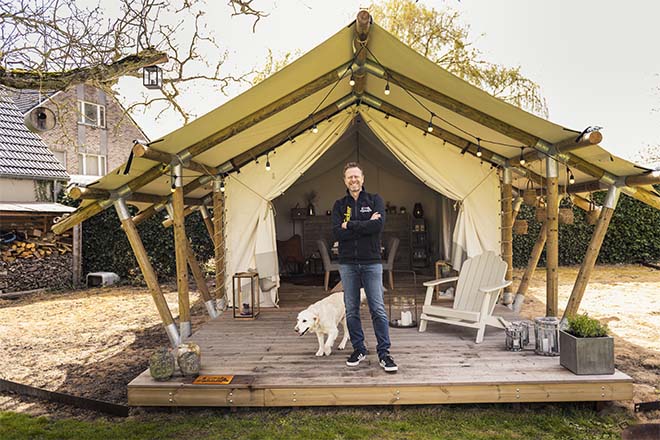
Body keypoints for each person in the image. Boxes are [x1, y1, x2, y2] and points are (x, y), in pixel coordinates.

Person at [331, 162, 397, 373]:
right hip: (348, 263)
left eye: (356, 176)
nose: (353, 180)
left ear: (362, 179)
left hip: (371, 262)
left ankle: (384, 353)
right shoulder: (339, 205)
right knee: (351, 310)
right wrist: (364, 225)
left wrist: (349, 225)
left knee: (377, 308)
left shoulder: (375, 200)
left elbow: (378, 226)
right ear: (344, 181)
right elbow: (337, 233)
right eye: (349, 177)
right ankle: (358, 349)